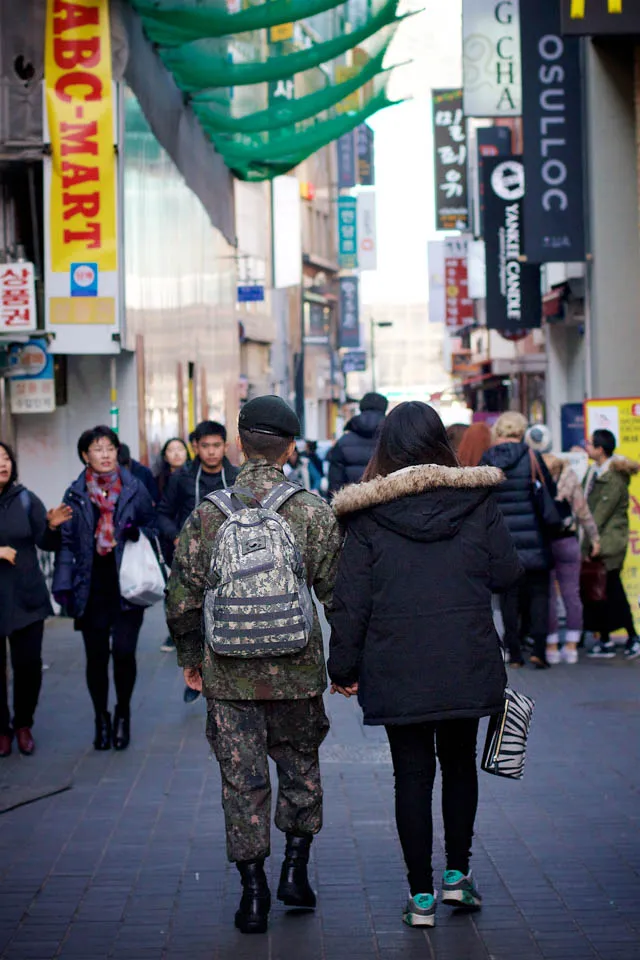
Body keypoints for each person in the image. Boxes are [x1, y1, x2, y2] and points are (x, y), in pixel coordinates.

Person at [327, 402, 522, 928]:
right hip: (465, 656)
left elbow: (352, 600)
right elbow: (506, 572)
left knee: (411, 776)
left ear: (386, 446)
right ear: (441, 442)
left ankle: (420, 897)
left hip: (397, 663)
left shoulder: (366, 515)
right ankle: (457, 878)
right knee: (458, 765)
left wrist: (341, 667)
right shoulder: (476, 501)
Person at [167, 395, 342, 936]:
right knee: (300, 768)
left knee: (241, 782)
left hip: (229, 676)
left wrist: (191, 659)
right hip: (297, 671)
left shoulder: (209, 512)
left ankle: (252, 894)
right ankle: (295, 869)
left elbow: (181, 598)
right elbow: (339, 597)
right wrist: (350, 665)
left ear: (240, 443)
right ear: (291, 447)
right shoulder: (312, 510)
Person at [52, 426, 158, 751]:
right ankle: (101, 717)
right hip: (91, 587)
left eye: (110, 448)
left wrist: (137, 532)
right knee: (96, 658)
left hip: (127, 585)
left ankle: (123, 714)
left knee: (124, 653)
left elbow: (153, 525)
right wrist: (64, 585)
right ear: (86, 455)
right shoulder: (74, 494)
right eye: (98, 449)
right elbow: (66, 542)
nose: (105, 454)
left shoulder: (135, 488)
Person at [0, 443, 71, 757]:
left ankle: (23, 724)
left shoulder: (26, 499)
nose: (2, 464)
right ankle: (1, 730)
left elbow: (47, 542)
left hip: (26, 595)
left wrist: (52, 526)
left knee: (27, 665)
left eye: (5, 458)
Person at [157, 421, 239, 692]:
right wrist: (177, 537)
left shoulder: (236, 477)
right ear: (196, 447)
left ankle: (219, 674)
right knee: (192, 616)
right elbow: (163, 515)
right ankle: (196, 669)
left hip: (230, 563)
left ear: (225, 446)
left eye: (217, 445)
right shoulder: (181, 478)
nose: (212, 452)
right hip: (190, 564)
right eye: (206, 446)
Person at [481, 412, 555, 668]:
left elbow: (482, 501)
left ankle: (514, 654)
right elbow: (550, 492)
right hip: (535, 537)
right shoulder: (532, 456)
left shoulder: (488, 460)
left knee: (509, 598)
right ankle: (539, 651)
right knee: (539, 596)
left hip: (502, 541)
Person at [525, 425, 600, 665]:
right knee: (571, 592)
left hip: (543, 540)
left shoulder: (531, 471)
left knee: (546, 594)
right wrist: (594, 538)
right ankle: (572, 646)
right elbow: (582, 510)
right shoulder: (567, 472)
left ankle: (551, 645)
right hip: (567, 539)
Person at [583, 429, 640, 660]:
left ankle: (632, 637)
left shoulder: (612, 478)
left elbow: (600, 513)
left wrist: (593, 540)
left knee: (612, 589)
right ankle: (606, 638)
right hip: (602, 540)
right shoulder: (597, 472)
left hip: (609, 542)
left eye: (590, 444)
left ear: (600, 450)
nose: (587, 446)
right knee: (601, 591)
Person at [327, 392, 388, 493]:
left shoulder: (343, 442)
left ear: (361, 408)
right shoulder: (392, 439)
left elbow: (335, 484)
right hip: (386, 504)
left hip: (351, 504)